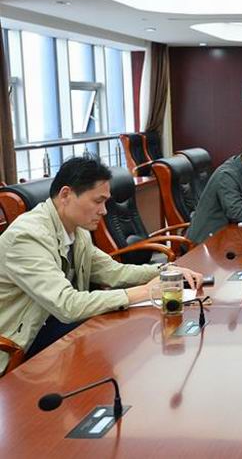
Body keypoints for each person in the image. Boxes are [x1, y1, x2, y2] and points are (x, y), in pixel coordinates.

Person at [0, 156, 203, 374]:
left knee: (129, 336)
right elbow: (68, 305)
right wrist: (146, 291)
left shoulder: (76, 230)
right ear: (66, 195)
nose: (104, 211)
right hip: (20, 345)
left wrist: (165, 271)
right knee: (120, 341)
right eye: (98, 201)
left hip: (51, 324)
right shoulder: (27, 236)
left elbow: (114, 272)